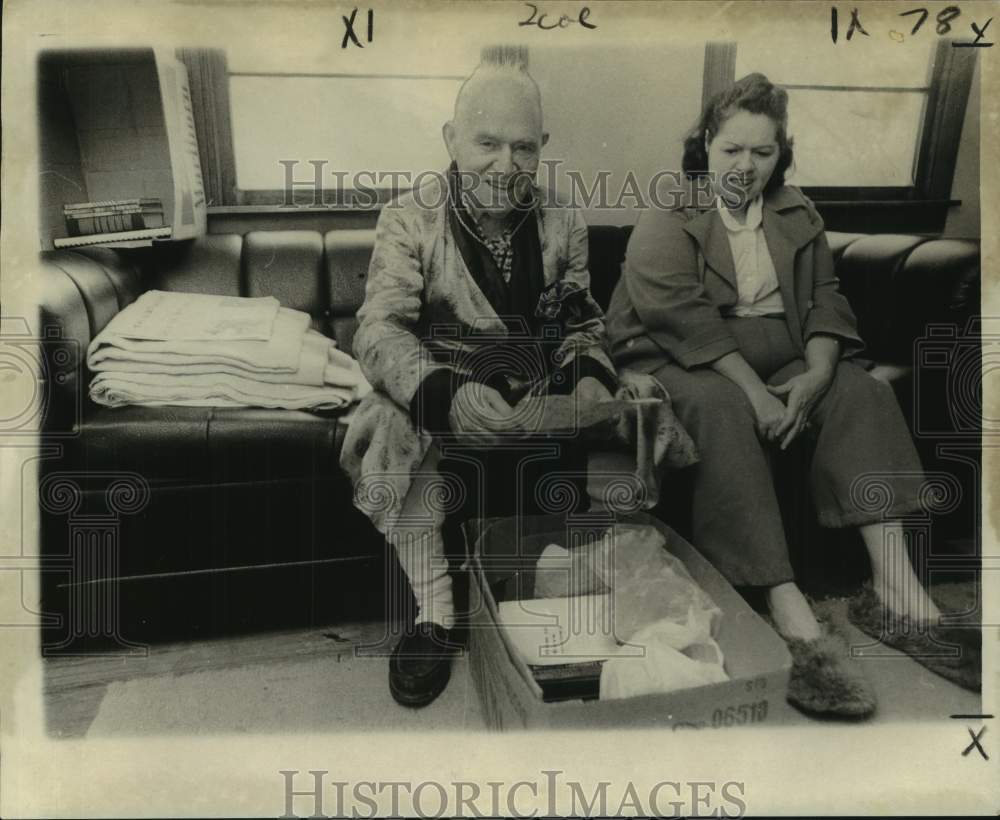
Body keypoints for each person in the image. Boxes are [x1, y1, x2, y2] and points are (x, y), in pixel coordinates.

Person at [605, 72, 965, 717]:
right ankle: (781, 597)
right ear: (705, 146)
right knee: (721, 408)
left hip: (787, 352)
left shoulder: (797, 212)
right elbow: (685, 320)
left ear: (782, 153)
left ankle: (896, 586)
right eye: (731, 151)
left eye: (763, 153)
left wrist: (818, 375)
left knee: (863, 395)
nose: (746, 167)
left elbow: (827, 301)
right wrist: (759, 394)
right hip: (679, 357)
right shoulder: (667, 215)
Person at [340, 47, 622, 708]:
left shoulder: (564, 221)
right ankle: (435, 612)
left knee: (612, 408)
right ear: (451, 140)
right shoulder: (409, 217)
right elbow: (378, 329)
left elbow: (582, 323)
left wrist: (586, 380)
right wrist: (443, 391)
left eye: (524, 148)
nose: (505, 165)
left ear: (543, 146)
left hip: (527, 386)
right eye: (486, 143)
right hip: (438, 385)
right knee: (384, 418)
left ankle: (547, 596)